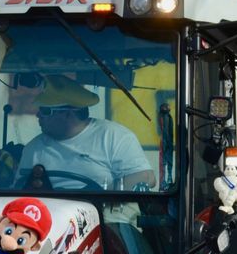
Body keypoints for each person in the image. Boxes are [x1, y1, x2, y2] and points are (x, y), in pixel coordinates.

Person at [17, 75, 156, 190]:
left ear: (68, 114)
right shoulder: (33, 148)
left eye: (45, 111)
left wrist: (102, 198)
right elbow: (20, 187)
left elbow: (145, 177)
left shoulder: (113, 136)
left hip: (106, 216)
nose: (38, 115)